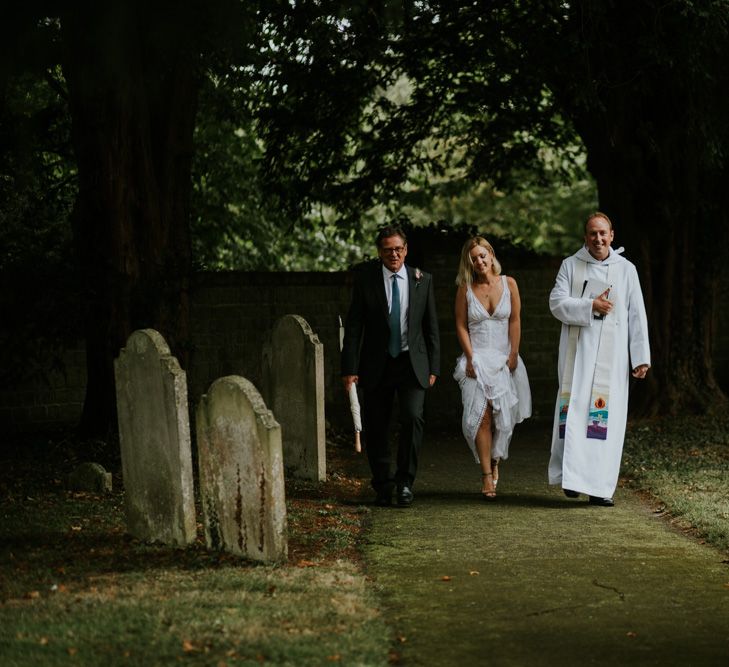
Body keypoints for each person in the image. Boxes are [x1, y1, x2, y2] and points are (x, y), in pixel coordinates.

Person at [548, 212, 650, 506]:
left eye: (603, 233)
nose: (598, 238)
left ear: (612, 235)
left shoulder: (626, 269)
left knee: (604, 422)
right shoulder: (571, 265)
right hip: (577, 358)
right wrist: (590, 305)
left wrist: (640, 357)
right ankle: (572, 479)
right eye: (593, 233)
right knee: (577, 416)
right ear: (586, 237)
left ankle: (599, 488)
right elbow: (556, 303)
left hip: (613, 360)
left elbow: (636, 314)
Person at [341, 225, 440, 507]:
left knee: (413, 417)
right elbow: (355, 326)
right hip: (376, 363)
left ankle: (405, 482)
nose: (394, 254)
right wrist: (349, 368)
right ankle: (383, 484)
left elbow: (431, 327)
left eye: (398, 249)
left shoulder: (423, 280)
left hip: (412, 363)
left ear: (405, 250)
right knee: (377, 425)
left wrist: (434, 366)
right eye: (388, 250)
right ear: (380, 252)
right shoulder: (366, 280)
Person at [453, 237, 532, 499]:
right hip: (476, 360)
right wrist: (471, 357)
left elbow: (516, 319)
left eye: (482, 255)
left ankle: (496, 460)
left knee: (501, 418)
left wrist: (513, 353)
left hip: (503, 360)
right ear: (469, 263)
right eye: (473, 258)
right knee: (480, 416)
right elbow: (461, 325)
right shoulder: (465, 288)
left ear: (490, 254)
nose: (479, 261)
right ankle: (486, 475)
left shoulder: (509, 284)